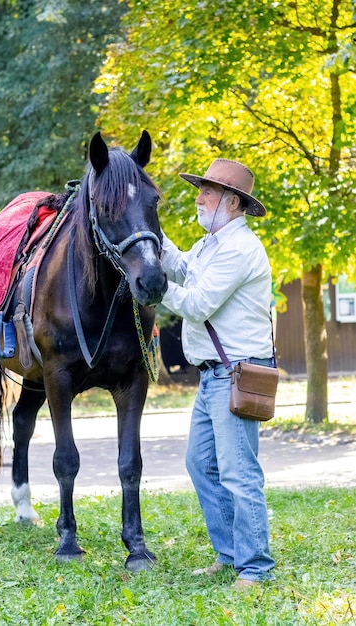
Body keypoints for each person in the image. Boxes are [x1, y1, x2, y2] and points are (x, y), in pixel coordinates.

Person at [160, 158, 275, 588]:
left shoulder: (241, 249)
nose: (198, 196)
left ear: (231, 201)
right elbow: (182, 265)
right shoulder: (212, 244)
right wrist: (149, 237)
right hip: (214, 375)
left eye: (206, 191)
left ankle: (256, 567)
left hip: (236, 374)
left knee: (239, 472)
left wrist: (153, 283)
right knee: (200, 464)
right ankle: (229, 554)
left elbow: (196, 302)